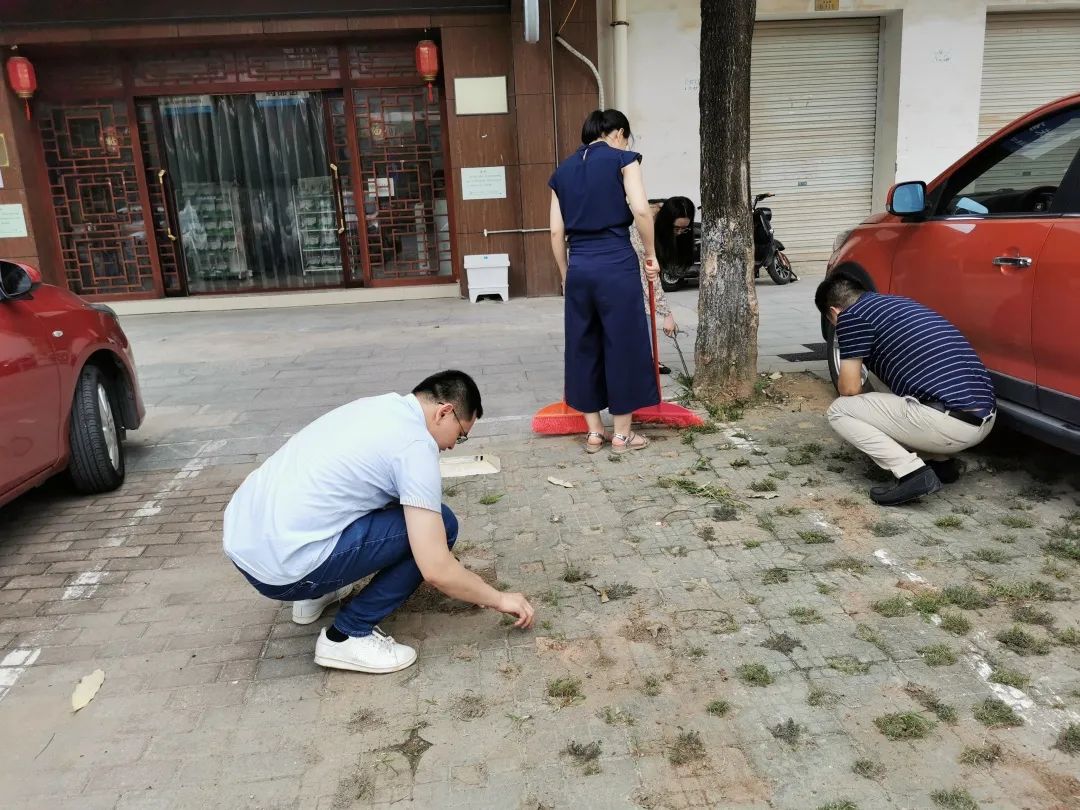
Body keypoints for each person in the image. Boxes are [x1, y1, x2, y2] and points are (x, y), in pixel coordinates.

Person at [222, 370, 535, 674]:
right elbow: (436, 569)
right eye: (461, 435)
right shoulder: (415, 446)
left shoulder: (377, 406)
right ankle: (347, 634)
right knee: (443, 525)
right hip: (286, 570)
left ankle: (315, 595)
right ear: (444, 412)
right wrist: (498, 598)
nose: (453, 445)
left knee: (377, 500)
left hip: (245, 545)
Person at [815, 267, 996, 506]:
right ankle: (941, 464)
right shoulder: (898, 303)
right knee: (885, 383)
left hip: (950, 425)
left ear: (833, 312)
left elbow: (849, 389)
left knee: (839, 410)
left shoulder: (851, 317)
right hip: (983, 418)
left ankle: (912, 473)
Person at [549, 109, 660, 455]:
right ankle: (622, 436)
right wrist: (651, 254)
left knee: (583, 345)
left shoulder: (562, 171)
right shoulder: (624, 159)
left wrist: (566, 274)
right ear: (619, 133)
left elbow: (555, 231)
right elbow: (641, 210)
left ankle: (595, 433)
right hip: (615, 262)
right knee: (623, 343)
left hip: (580, 265)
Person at [630, 197, 696, 373]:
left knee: (645, 312)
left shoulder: (663, 222)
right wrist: (667, 315)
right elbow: (649, 276)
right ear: (667, 221)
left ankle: (648, 359)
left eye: (684, 228)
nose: (680, 232)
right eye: (676, 228)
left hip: (637, 269)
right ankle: (645, 361)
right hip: (624, 270)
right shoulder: (643, 224)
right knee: (642, 314)